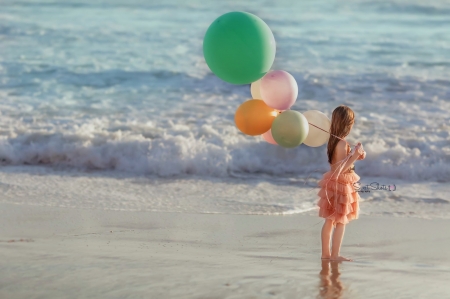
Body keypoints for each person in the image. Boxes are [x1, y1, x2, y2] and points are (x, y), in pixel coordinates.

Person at [317, 105, 366, 262]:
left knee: (330, 220)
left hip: (333, 183)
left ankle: (326, 254)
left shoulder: (333, 141)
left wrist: (356, 156)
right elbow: (341, 168)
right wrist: (354, 155)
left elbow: (338, 163)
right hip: (341, 184)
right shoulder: (342, 143)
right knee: (340, 221)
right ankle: (335, 255)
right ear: (347, 124)